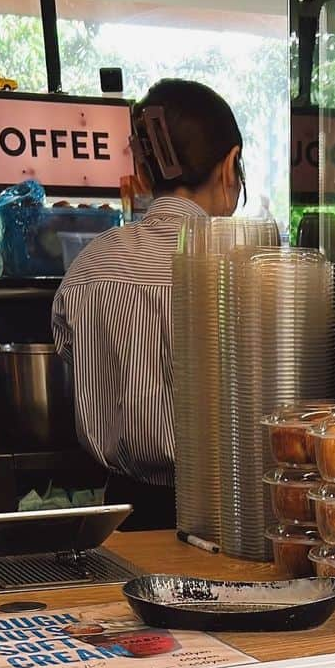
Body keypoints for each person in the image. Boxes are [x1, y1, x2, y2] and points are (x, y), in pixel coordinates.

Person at [52, 79, 244, 530]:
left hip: (123, 517)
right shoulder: (247, 272)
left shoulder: (89, 267)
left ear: (140, 173)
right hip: (235, 514)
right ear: (230, 164)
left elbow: (73, 361)